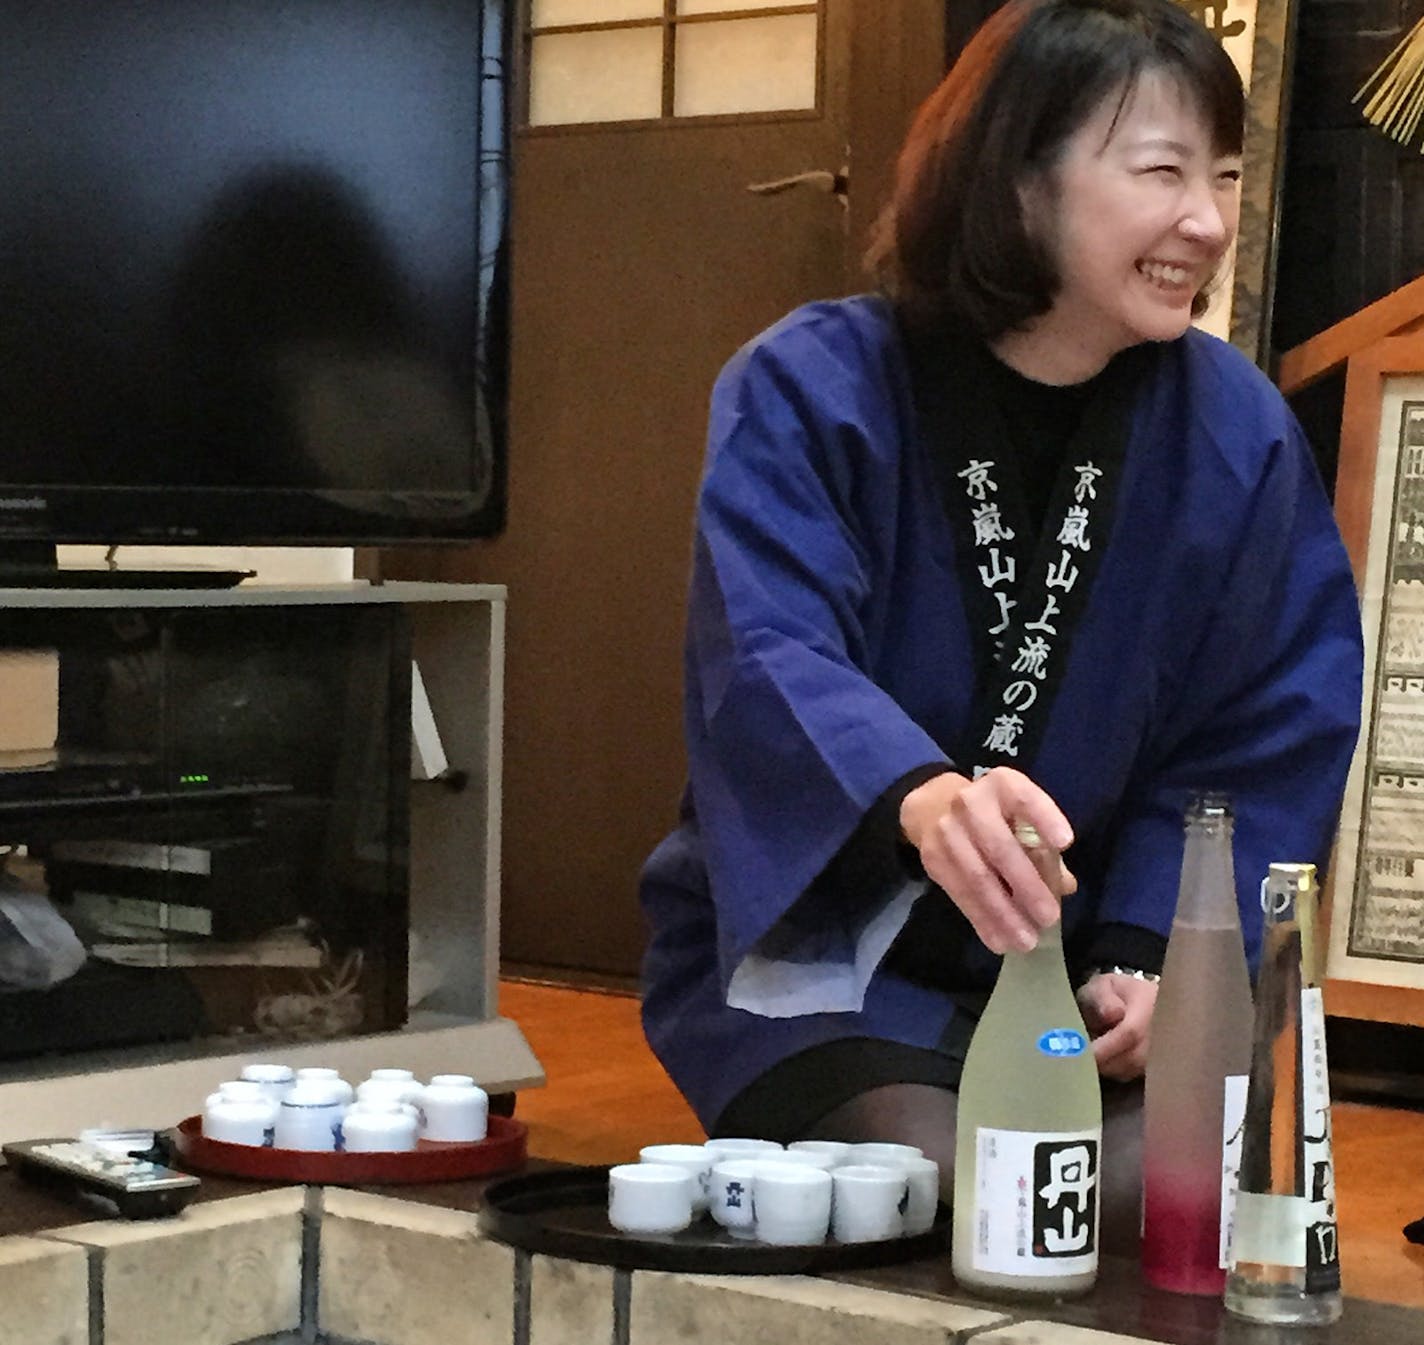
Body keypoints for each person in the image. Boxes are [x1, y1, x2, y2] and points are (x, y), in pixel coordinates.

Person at [637, 0, 1363, 1237]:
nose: (1205, 218)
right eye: (1159, 172)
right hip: (836, 967)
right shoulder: (811, 386)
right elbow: (767, 656)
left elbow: (1263, 720)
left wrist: (1148, 955)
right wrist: (920, 799)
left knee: (1197, 1197)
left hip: (1087, 985)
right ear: (1018, 176)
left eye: (1224, 176)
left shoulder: (1233, 431)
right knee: (966, 1188)